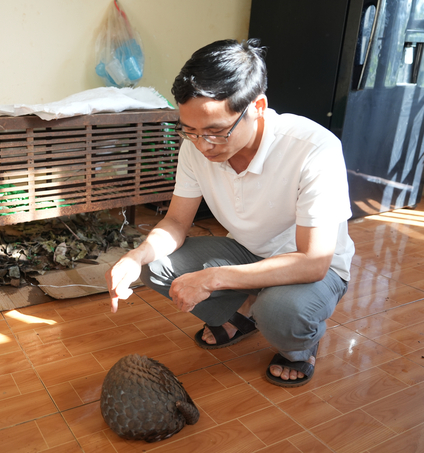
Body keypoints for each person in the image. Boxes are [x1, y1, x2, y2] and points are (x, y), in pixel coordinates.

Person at [105, 39, 354, 387]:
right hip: (248, 250)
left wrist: (212, 277)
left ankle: (300, 348)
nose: (203, 145)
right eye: (189, 130)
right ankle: (238, 319)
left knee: (281, 311)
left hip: (309, 267)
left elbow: (313, 261)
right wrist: (135, 255)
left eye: (217, 132)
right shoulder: (194, 148)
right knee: (154, 264)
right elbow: (176, 222)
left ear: (258, 106)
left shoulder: (314, 149)